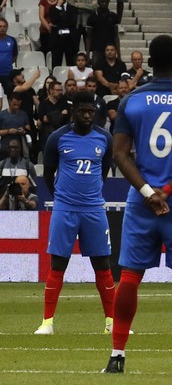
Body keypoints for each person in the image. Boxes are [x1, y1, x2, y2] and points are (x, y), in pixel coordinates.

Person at [104, 35, 172, 374]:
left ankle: (117, 358)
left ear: (149, 63)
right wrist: (167, 191)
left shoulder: (132, 101)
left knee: (130, 277)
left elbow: (120, 154)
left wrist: (148, 191)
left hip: (141, 202)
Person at [35, 92, 116, 335]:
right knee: (58, 263)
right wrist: (63, 198)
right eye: (82, 111)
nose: (88, 115)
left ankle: (111, 323)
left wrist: (90, 196)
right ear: (73, 111)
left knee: (102, 264)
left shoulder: (104, 138)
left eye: (91, 111)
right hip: (65, 209)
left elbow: (103, 171)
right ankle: (47, 323)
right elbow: (48, 175)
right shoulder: (57, 138)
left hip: (93, 209)